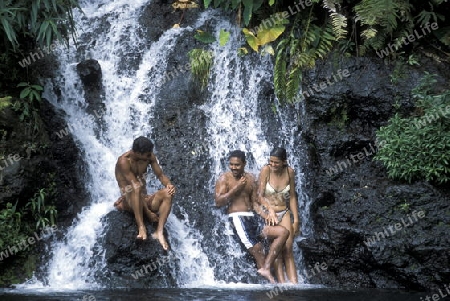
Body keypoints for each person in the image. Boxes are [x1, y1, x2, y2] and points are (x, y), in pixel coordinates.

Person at [215, 150, 289, 283]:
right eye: (231, 164)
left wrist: (267, 213)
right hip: (237, 218)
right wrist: (235, 189)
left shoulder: (251, 178)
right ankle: (270, 286)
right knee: (258, 249)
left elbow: (254, 202)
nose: (233, 167)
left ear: (244, 164)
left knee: (283, 232)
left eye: (237, 165)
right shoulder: (224, 178)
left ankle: (266, 267)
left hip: (253, 218)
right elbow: (219, 202)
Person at [114, 136, 175, 251]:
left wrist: (169, 185)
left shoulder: (149, 157)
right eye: (147, 154)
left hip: (144, 200)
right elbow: (135, 187)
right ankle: (141, 227)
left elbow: (161, 175)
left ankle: (159, 232)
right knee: (135, 188)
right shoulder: (123, 162)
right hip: (130, 202)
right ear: (138, 153)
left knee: (168, 193)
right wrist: (148, 213)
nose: (150, 156)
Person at [257, 147, 300, 283]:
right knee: (277, 251)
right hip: (269, 214)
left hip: (284, 211)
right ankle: (281, 285)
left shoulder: (290, 172)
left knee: (288, 249)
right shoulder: (266, 170)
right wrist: (269, 209)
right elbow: (259, 196)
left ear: (284, 162)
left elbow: (292, 196)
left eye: (276, 162)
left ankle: (294, 285)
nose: (273, 165)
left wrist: (296, 220)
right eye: (270, 161)